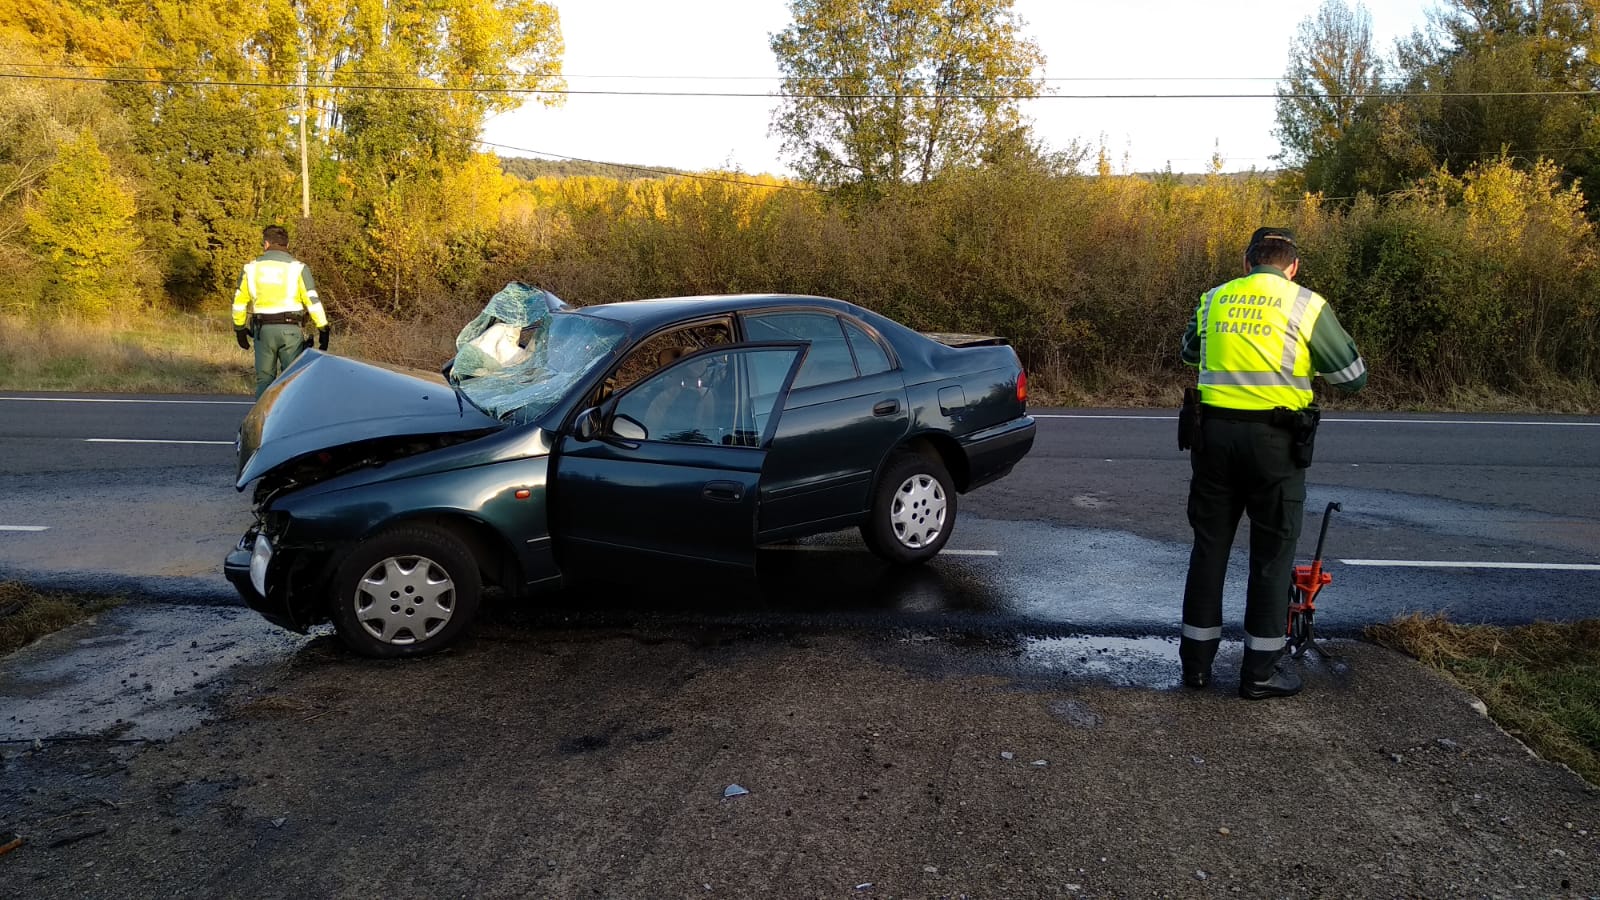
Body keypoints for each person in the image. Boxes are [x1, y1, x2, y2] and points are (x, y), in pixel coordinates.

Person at [1177, 227, 1367, 700]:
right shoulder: (1306, 304)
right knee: (1272, 555)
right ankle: (1260, 672)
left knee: (1209, 549)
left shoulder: (1214, 298)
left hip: (1213, 437)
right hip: (1276, 442)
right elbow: (1352, 377)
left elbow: (1190, 352)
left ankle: (1196, 667)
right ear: (1293, 266)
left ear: (1246, 263)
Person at [231, 224, 329, 398]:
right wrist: (323, 328)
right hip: (291, 330)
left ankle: (262, 421)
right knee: (290, 380)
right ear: (287, 245)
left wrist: (239, 329)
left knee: (265, 380)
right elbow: (312, 301)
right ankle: (289, 421)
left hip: (263, 330)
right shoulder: (298, 268)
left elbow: (239, 303)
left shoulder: (250, 269)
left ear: (266, 244)